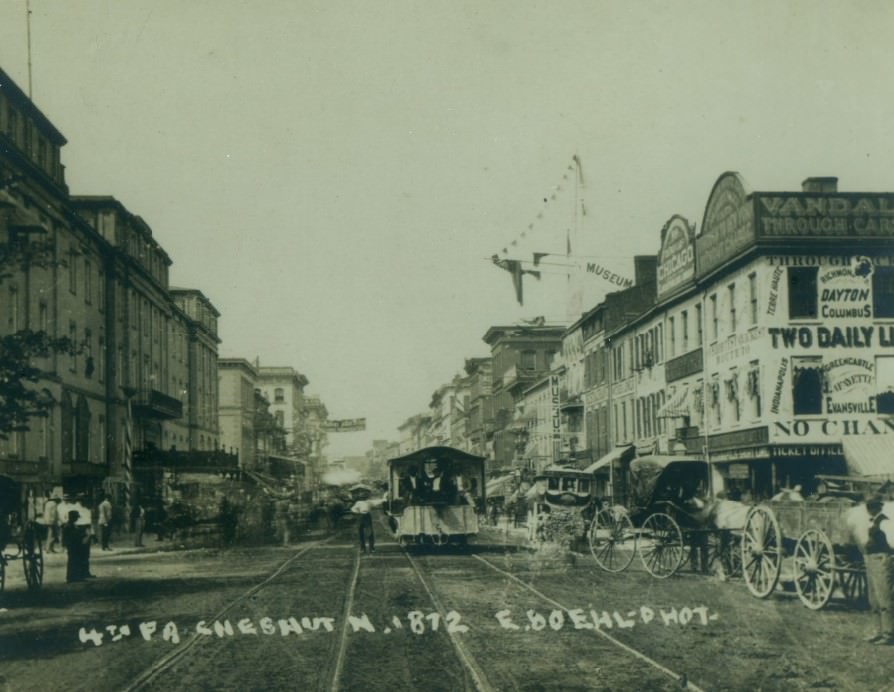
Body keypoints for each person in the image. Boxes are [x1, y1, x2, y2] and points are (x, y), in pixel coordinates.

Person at [864, 495, 894, 645]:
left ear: (878, 507)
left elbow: (893, 542)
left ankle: (888, 634)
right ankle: (877, 632)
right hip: (872, 560)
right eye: (869, 507)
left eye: (872, 507)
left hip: (881, 560)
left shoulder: (885, 521)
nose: (869, 510)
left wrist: (886, 556)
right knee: (874, 599)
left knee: (884, 599)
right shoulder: (874, 521)